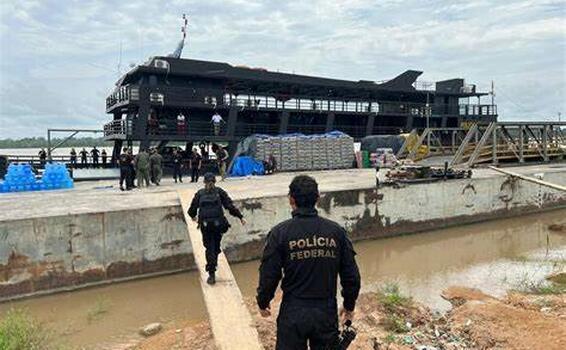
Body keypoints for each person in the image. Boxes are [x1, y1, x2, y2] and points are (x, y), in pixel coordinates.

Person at [256, 175, 361, 349]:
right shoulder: (336, 232)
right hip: (325, 312)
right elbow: (351, 276)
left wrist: (263, 301)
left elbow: (269, 274)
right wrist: (349, 306)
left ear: (291, 200)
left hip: (293, 312)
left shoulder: (280, 233)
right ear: (318, 198)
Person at [187, 172, 246, 284]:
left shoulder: (200, 193)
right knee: (215, 246)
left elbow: (191, 210)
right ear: (215, 181)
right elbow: (229, 206)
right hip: (218, 225)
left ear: (204, 182)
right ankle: (215, 255)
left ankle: (211, 274)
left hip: (205, 226)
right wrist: (240, 216)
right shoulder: (220, 192)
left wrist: (193, 217)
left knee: (209, 248)